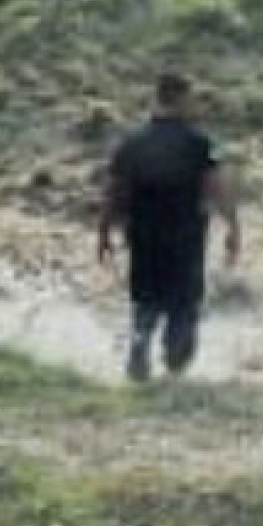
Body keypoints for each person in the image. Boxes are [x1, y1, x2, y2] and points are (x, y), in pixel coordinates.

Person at [97, 72, 242, 381]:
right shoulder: (199, 143)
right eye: (192, 100)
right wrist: (233, 227)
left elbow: (114, 190)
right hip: (185, 235)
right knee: (184, 301)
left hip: (142, 234)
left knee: (146, 296)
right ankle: (175, 367)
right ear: (181, 99)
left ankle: (139, 343)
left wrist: (103, 232)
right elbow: (217, 186)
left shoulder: (132, 142)